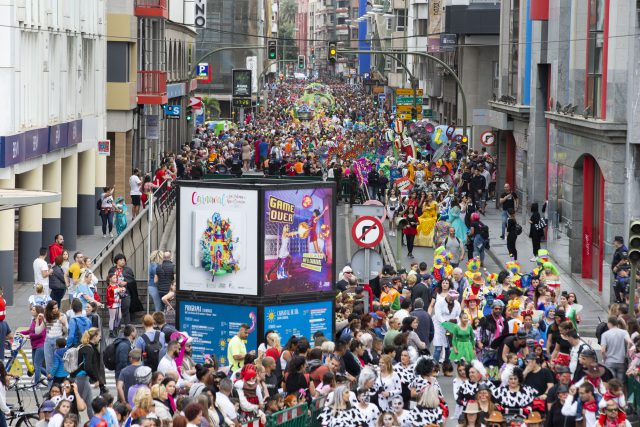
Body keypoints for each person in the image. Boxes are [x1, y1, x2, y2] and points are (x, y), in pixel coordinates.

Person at [600, 316, 632, 382]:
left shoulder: (605, 334)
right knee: (620, 384)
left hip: (609, 361)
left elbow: (603, 350)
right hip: (621, 361)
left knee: (611, 383)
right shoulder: (624, 332)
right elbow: (630, 342)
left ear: (609, 323)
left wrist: (605, 358)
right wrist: (627, 353)